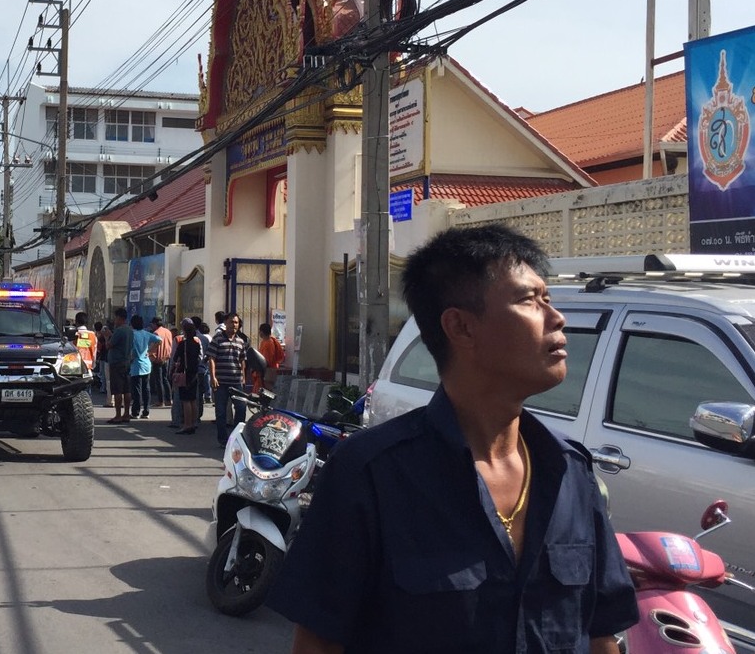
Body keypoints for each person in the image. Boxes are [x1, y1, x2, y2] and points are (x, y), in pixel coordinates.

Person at [266, 224, 638, 654]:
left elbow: (600, 635)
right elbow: (318, 644)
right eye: (529, 300)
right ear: (460, 327)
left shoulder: (569, 472)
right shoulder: (370, 474)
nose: (557, 319)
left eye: (548, 299)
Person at [206, 312, 249, 447]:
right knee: (221, 411)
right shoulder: (217, 339)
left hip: (236, 381)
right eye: (231, 322)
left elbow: (242, 361)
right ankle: (223, 440)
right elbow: (211, 358)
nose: (234, 325)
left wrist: (243, 376)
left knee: (241, 409)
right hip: (221, 381)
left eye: (236, 322)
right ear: (225, 323)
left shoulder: (241, 341)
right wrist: (213, 377)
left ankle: (237, 439)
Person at [171, 318, 203, 435]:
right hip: (194, 372)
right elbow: (199, 358)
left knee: (185, 400)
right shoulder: (196, 343)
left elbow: (175, 358)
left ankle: (187, 424)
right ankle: (194, 422)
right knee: (193, 399)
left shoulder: (182, 344)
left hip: (184, 373)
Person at [128, 315, 162, 419]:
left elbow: (131, 350)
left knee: (136, 390)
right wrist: (150, 351)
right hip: (146, 364)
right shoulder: (146, 334)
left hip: (136, 365)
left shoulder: (132, 335)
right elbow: (159, 340)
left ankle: (136, 411)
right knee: (146, 388)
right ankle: (146, 411)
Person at [106, 308, 133, 423]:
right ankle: (126, 413)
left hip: (117, 363)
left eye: (115, 318)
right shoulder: (129, 330)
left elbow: (109, 345)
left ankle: (118, 415)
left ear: (119, 318)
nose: (114, 320)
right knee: (127, 390)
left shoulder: (119, 331)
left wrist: (107, 336)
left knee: (117, 390)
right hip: (127, 361)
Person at [148, 317, 174, 407]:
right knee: (165, 379)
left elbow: (153, 346)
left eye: (152, 324)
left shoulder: (156, 333)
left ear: (155, 324)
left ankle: (160, 401)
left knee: (158, 380)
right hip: (166, 358)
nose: (151, 326)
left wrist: (149, 353)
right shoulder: (168, 331)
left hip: (157, 358)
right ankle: (169, 399)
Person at [254, 322, 285, 392]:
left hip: (268, 371)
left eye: (259, 331)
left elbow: (267, 360)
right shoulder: (265, 342)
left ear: (261, 332)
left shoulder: (269, 343)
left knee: (267, 392)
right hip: (266, 371)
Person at [74, 312, 97, 378]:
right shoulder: (92, 335)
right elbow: (94, 352)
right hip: (87, 368)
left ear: (76, 321)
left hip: (73, 368)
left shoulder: (73, 334)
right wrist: (93, 366)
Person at [96, 319, 113, 404]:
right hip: (108, 358)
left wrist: (106, 339)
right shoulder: (103, 337)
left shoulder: (106, 338)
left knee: (108, 378)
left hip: (106, 359)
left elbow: (106, 347)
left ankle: (110, 400)